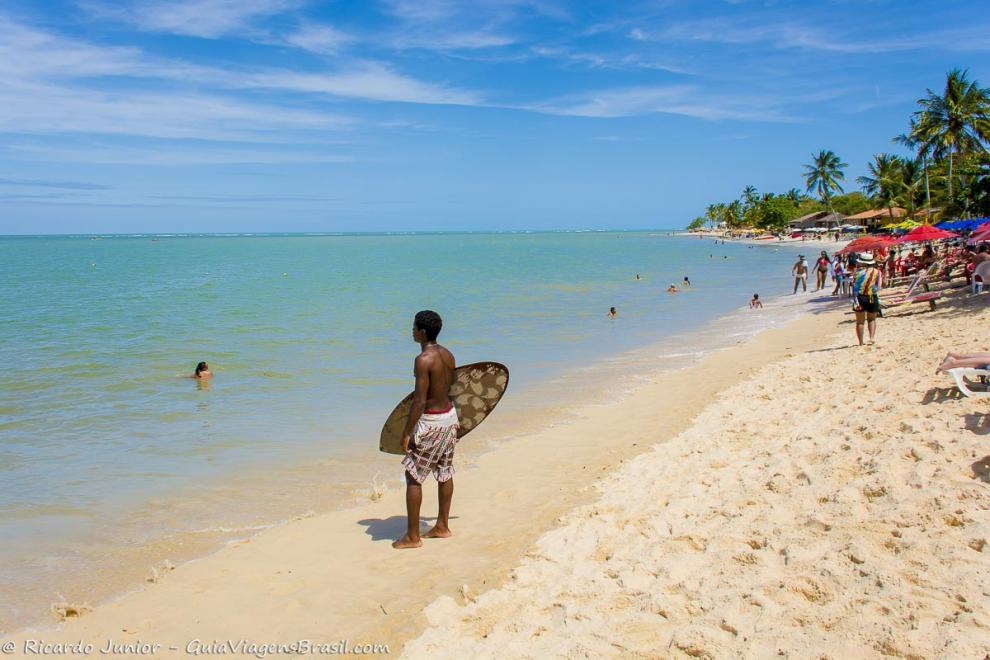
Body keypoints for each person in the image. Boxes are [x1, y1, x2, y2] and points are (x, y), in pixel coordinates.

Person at [393, 310, 458, 550]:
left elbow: (420, 401)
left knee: (413, 477)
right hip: (450, 417)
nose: (411, 331)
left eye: (413, 327)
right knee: (445, 471)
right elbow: (452, 387)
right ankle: (442, 525)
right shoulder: (448, 354)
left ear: (421, 332)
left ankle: (412, 537)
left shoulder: (423, 360)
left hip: (431, 423)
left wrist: (406, 433)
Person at [852, 253, 883, 346]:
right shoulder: (878, 272)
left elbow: (854, 286)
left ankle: (861, 342)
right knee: (872, 319)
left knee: (860, 322)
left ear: (863, 263)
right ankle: (872, 338)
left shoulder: (857, 273)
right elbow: (878, 287)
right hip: (871, 297)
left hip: (859, 298)